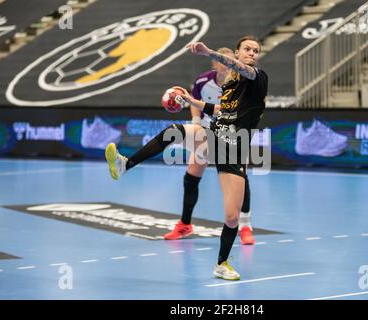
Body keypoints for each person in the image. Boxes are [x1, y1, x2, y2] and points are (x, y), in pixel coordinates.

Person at [105, 35, 268, 281]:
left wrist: (209, 52)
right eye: (247, 49)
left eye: (255, 50)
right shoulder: (231, 86)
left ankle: (222, 263)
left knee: (232, 217)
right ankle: (125, 164)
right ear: (238, 51)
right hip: (215, 133)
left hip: (235, 147)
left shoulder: (257, 77)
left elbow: (240, 67)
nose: (252, 53)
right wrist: (193, 102)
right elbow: (222, 110)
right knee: (174, 132)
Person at [163, 47, 255, 245]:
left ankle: (245, 226)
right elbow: (193, 102)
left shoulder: (241, 83)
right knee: (192, 174)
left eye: (230, 60)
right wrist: (196, 121)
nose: (227, 63)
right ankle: (185, 224)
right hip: (207, 132)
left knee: (241, 176)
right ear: (215, 63)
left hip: (232, 135)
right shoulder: (203, 81)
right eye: (222, 60)